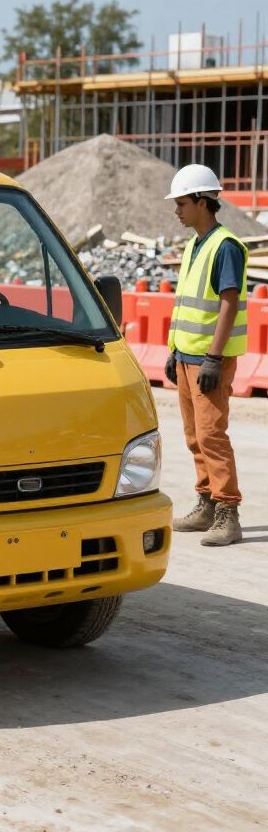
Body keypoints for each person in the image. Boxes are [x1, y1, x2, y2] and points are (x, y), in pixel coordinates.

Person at [164, 164, 247, 546]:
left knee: (212, 435)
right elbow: (187, 305)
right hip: (187, 356)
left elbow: (228, 304)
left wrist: (214, 357)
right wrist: (174, 351)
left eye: (182, 203)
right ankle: (207, 504)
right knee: (194, 436)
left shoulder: (225, 246)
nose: (177, 210)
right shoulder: (195, 244)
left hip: (208, 359)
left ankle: (228, 513)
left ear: (202, 201)